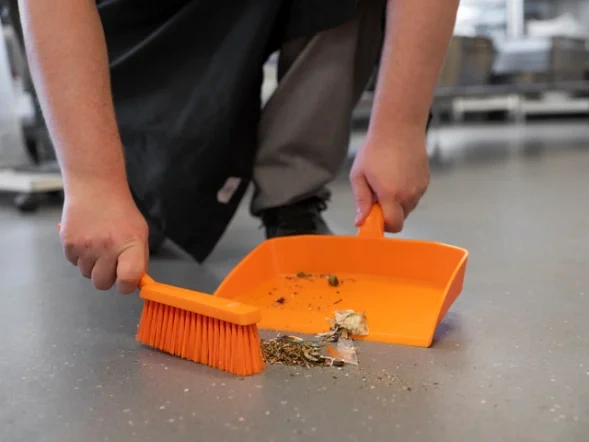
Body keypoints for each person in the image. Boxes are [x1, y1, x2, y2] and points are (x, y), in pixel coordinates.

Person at [18, 0, 459, 293]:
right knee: (157, 191)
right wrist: (94, 180)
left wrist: (401, 127)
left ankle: (292, 201)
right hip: (130, 25)